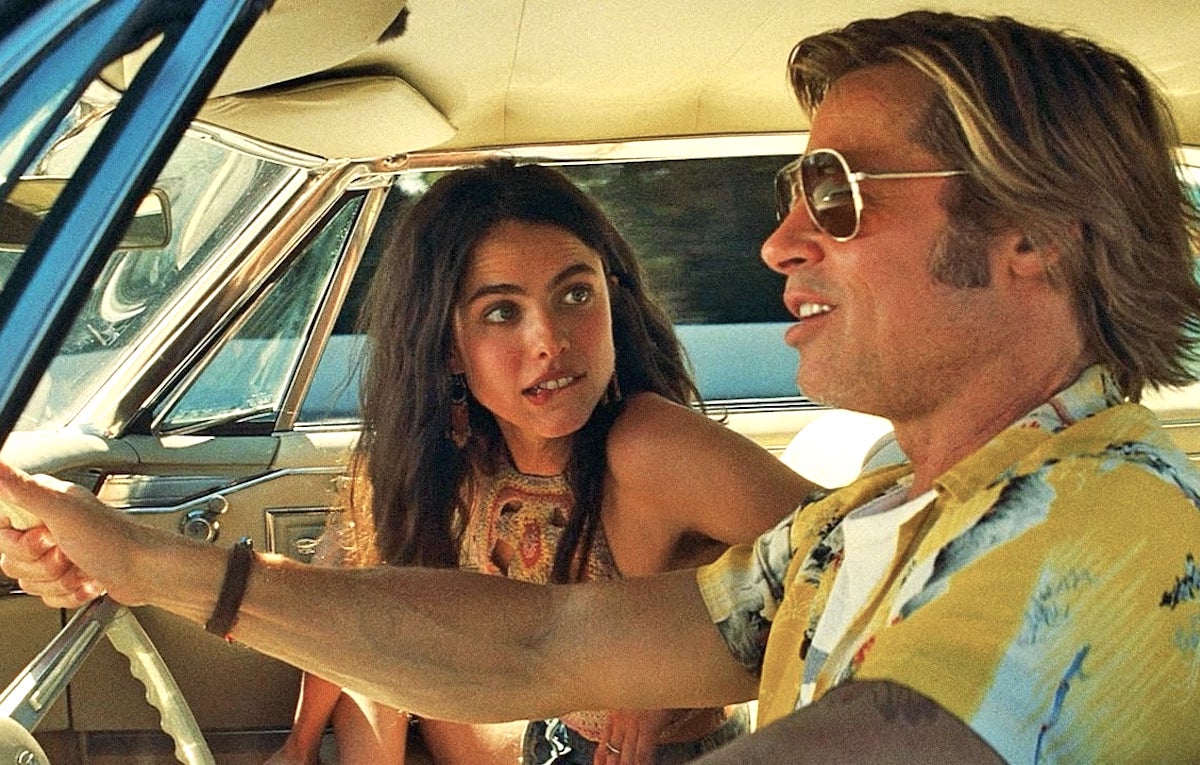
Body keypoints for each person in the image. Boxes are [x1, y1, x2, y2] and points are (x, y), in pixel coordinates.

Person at [3, 10, 1200, 763]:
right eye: (792, 193)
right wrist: (147, 562)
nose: (781, 242)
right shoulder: (870, 519)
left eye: (837, 192)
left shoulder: (1110, 527)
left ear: (1032, 231)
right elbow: (544, 644)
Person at [263, 160, 814, 765]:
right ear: (448, 347)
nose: (551, 341)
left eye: (576, 294)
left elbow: (858, 556)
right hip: (546, 735)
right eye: (502, 311)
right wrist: (299, 745)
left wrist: (676, 662)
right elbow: (354, 584)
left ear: (612, 300)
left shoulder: (649, 443)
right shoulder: (456, 457)